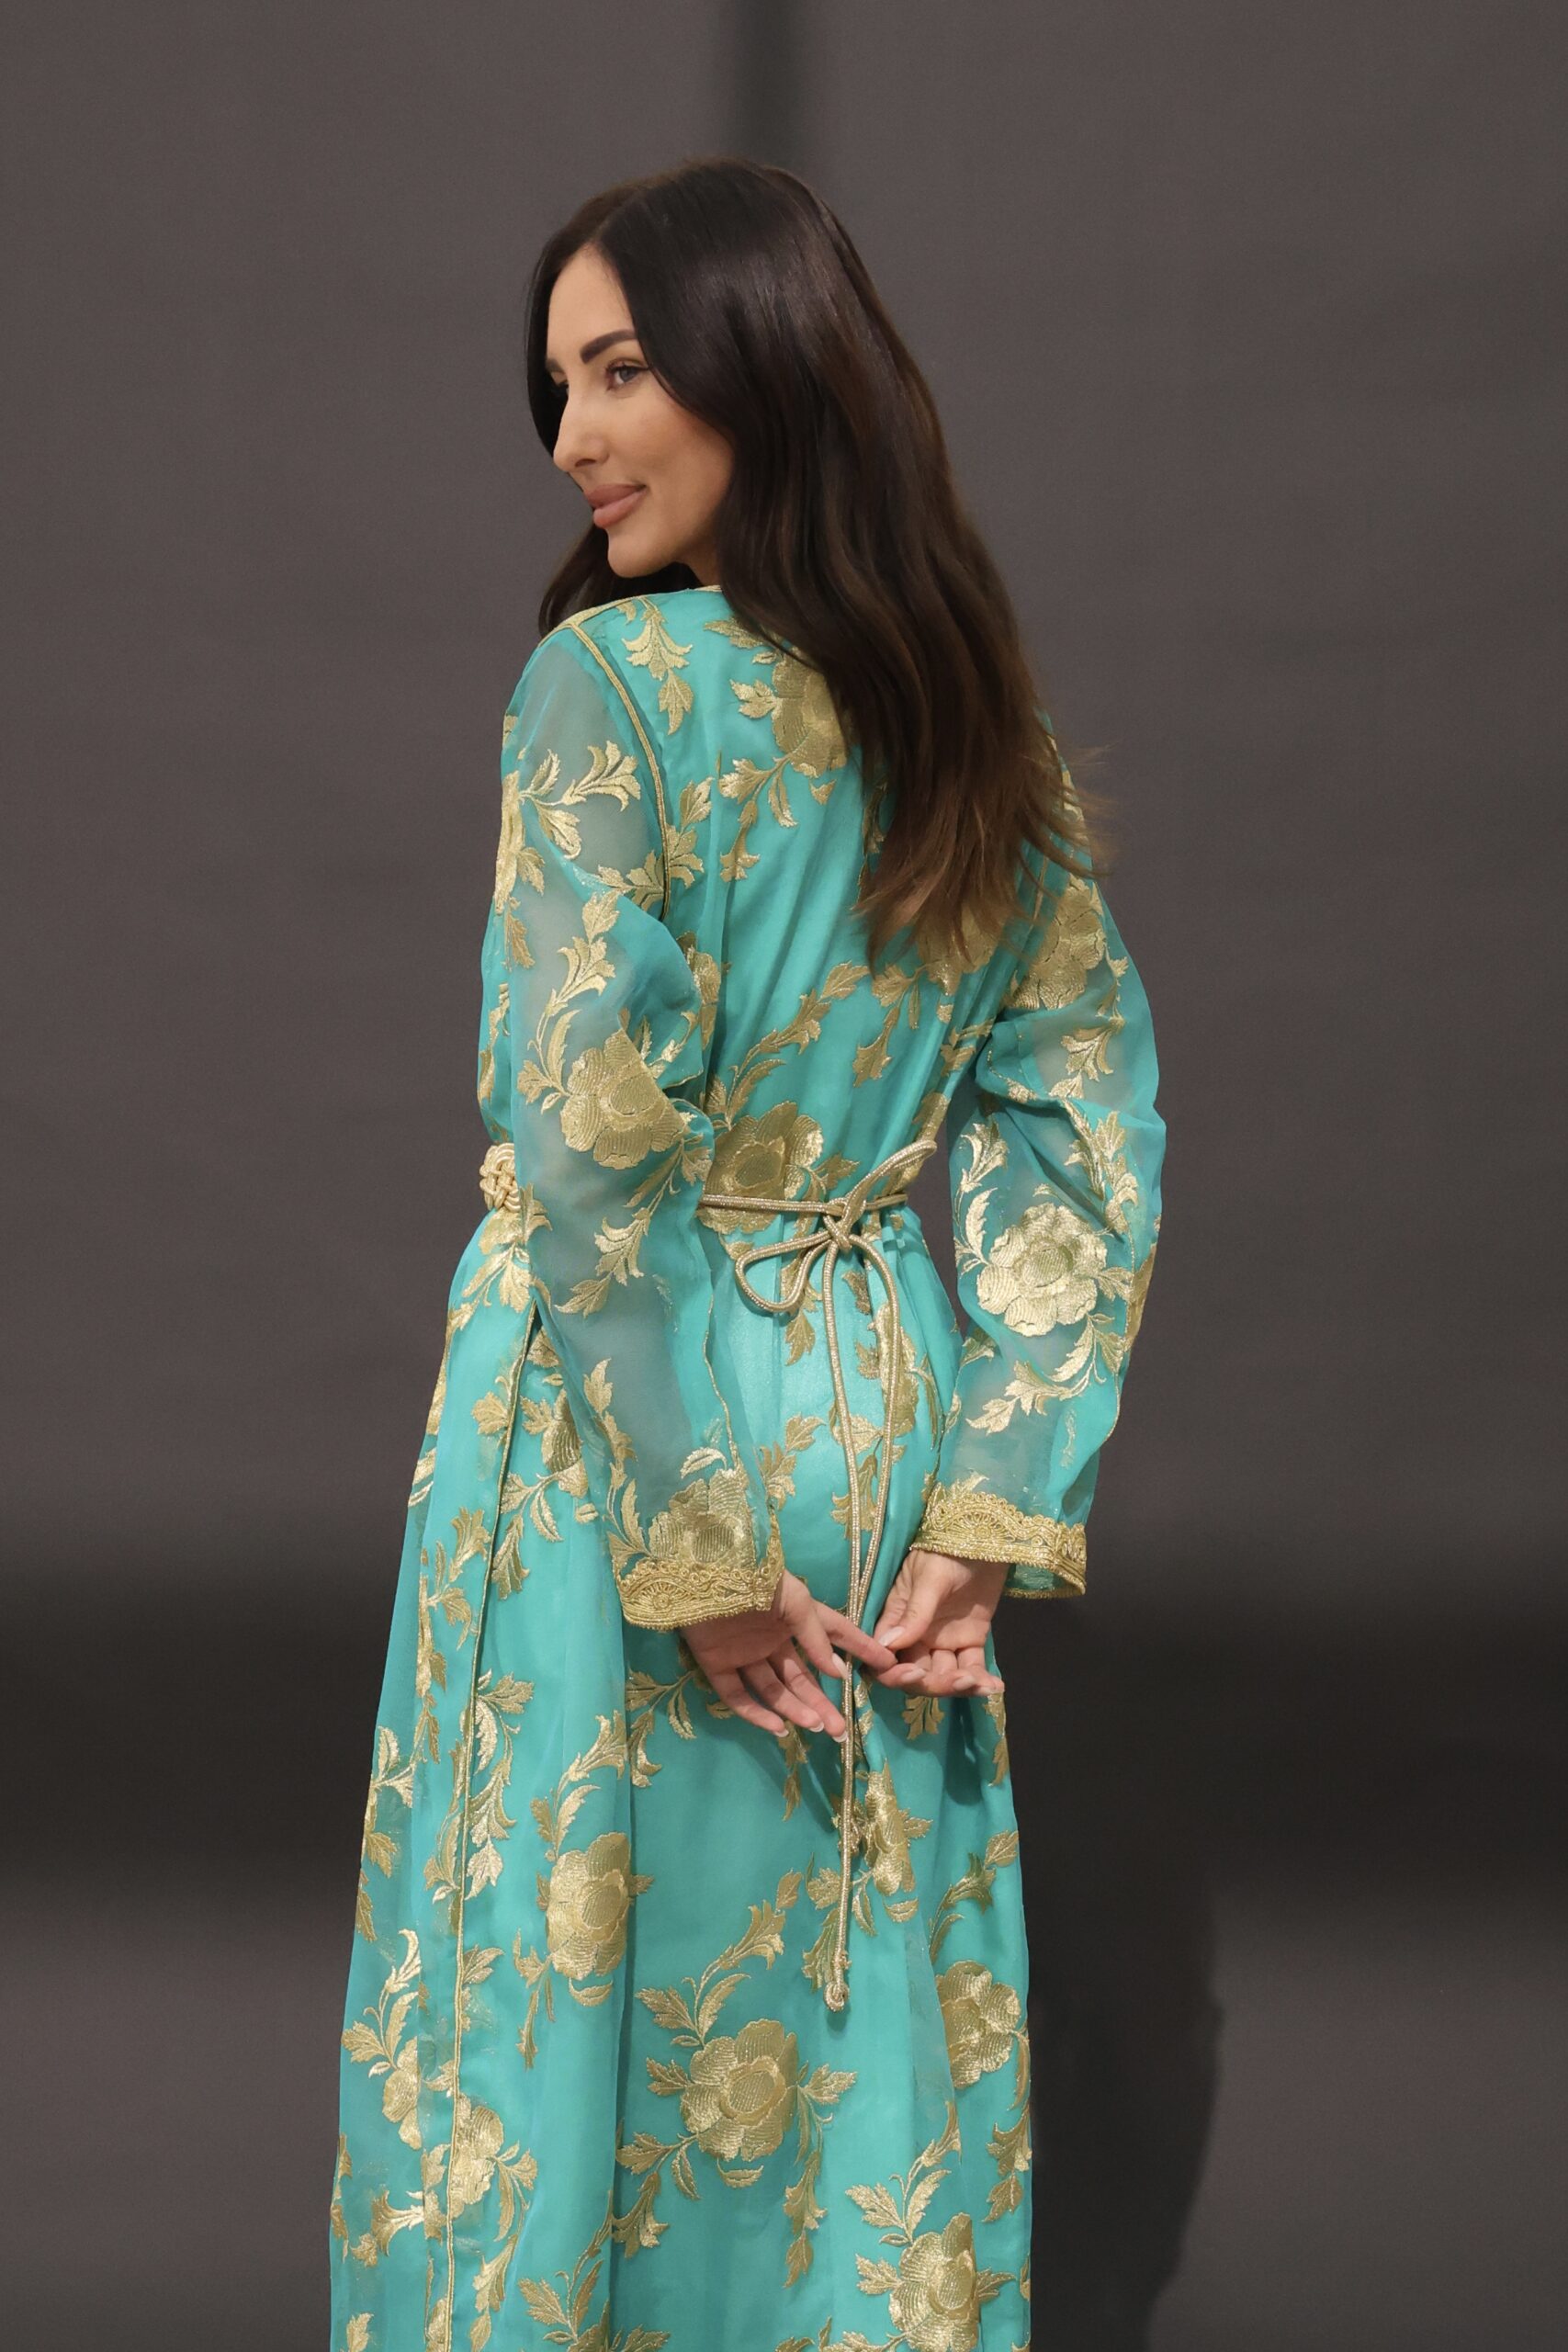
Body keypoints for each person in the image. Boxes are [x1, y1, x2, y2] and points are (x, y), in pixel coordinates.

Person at [330, 156, 1165, 2352]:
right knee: (835, 2019)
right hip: (875, 1417)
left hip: (625, 1426)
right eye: (554, 386)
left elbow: (588, 1144)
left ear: (761, 368)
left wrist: (690, 1538)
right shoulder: (970, 721)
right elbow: (1077, 1123)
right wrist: (995, 1485)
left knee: (558, 2007)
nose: (569, 436)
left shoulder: (604, 690)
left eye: (617, 370)